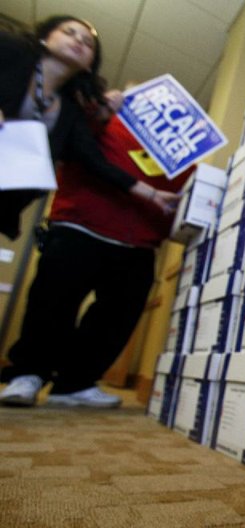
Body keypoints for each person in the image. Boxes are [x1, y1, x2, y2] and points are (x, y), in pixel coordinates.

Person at [0, 16, 182, 407]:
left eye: (87, 41)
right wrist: (106, 113)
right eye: (69, 33)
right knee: (51, 305)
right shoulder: (87, 112)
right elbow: (85, 157)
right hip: (78, 226)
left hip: (136, 242)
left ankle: (74, 383)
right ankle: (27, 373)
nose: (79, 42)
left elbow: (173, 193)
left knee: (117, 317)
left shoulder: (176, 153)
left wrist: (156, 199)